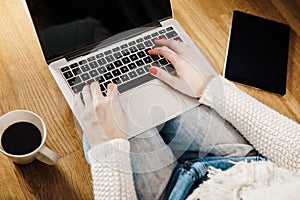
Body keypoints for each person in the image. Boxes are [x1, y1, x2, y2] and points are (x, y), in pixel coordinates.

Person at [73, 39, 300, 200]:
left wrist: (108, 150)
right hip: (247, 170)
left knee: (104, 107)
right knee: (151, 77)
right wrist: (210, 86)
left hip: (173, 195)